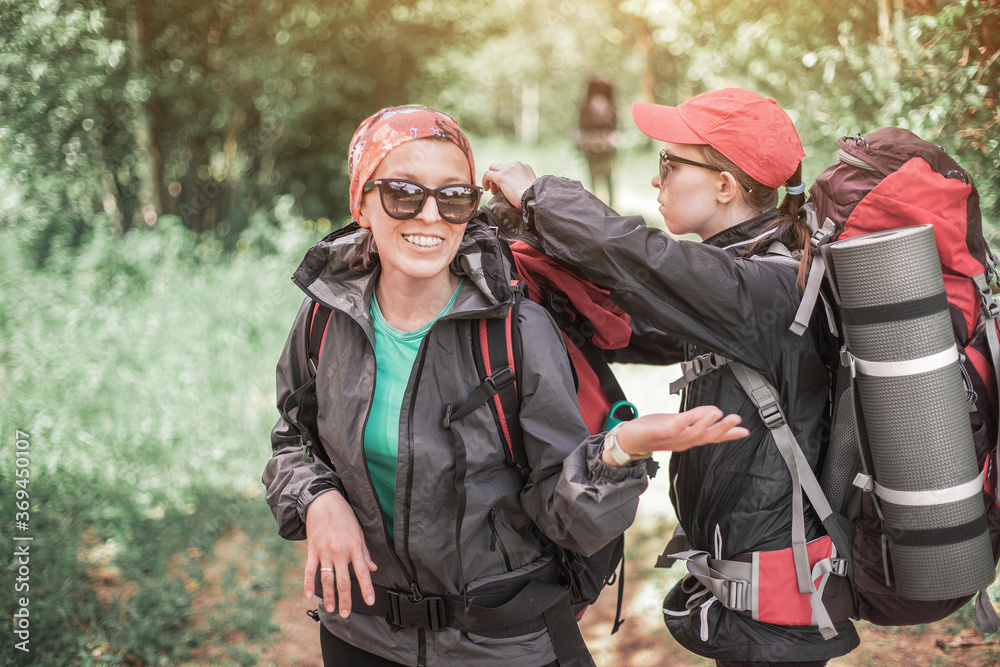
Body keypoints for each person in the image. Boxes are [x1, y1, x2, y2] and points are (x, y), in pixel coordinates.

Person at [262, 105, 749, 667]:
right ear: (362, 203)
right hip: (359, 637)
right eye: (402, 193)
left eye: (454, 198)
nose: (430, 216)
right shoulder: (326, 316)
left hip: (502, 644)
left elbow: (564, 516)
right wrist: (317, 498)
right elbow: (292, 439)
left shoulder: (517, 331)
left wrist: (618, 453)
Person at [483, 89, 861, 666]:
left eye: (669, 163)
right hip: (757, 576)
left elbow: (640, 258)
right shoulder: (748, 271)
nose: (657, 180)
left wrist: (539, 197)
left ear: (725, 185)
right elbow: (639, 323)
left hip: (778, 591)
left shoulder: (768, 289)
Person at [575, 76, 618, 207]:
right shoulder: (607, 106)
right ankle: (604, 207)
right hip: (596, 150)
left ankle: (604, 206)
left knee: (604, 179)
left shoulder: (587, 105)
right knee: (602, 179)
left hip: (601, 150)